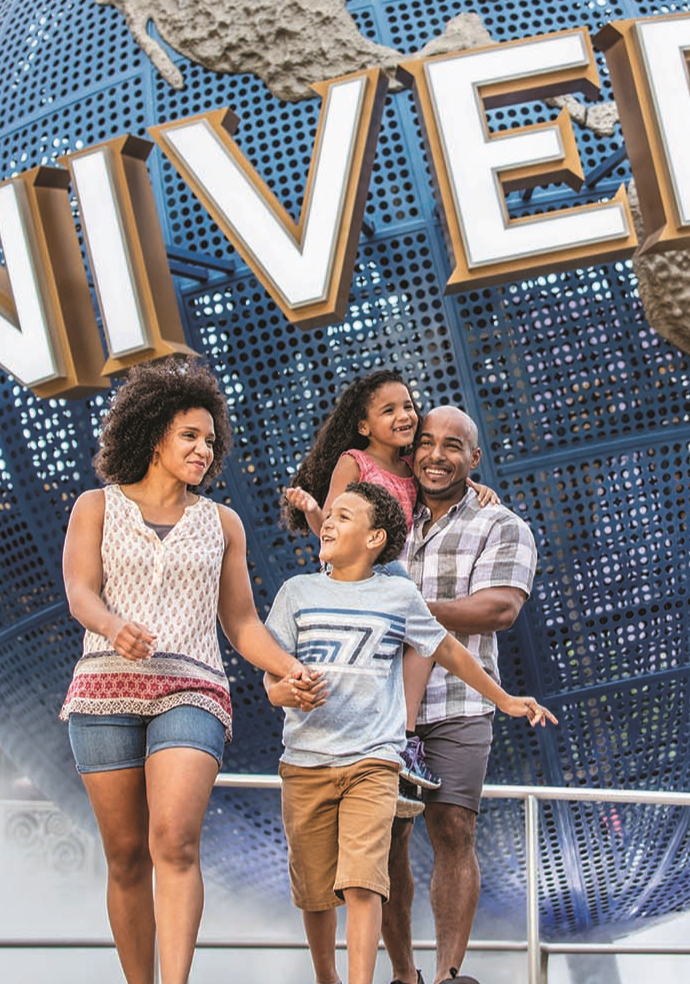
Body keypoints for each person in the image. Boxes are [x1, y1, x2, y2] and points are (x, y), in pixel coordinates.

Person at [61, 354, 316, 984]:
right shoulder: (96, 506)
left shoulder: (221, 523)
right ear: (152, 436)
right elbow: (78, 592)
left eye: (210, 439)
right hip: (103, 691)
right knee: (124, 857)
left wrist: (292, 667)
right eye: (189, 436)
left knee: (173, 839)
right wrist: (112, 626)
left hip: (192, 688)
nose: (204, 449)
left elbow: (242, 623)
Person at [276, 406, 538, 984]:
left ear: (475, 460)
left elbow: (499, 608)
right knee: (384, 845)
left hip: (460, 702)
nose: (435, 454)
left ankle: (447, 974)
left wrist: (402, 610)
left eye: (453, 446)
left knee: (453, 828)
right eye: (425, 443)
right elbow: (337, 567)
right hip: (377, 709)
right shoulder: (387, 513)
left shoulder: (502, 525)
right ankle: (402, 976)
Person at [281, 371, 497, 799]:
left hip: (390, 577)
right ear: (364, 426)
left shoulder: (408, 467)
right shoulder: (354, 461)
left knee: (421, 639)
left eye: (408, 406)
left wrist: (474, 485)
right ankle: (360, 749)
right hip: (358, 572)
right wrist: (309, 509)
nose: (405, 416)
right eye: (390, 410)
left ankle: (403, 741)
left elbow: (442, 478)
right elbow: (330, 522)